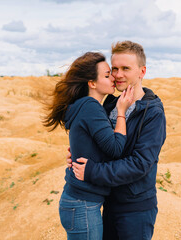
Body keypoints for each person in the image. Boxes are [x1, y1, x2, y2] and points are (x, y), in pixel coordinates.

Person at [67, 41, 166, 240]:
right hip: (106, 201)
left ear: (142, 71)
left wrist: (93, 171)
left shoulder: (153, 112)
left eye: (125, 69)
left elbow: (140, 163)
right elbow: (102, 143)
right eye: (115, 69)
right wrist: (78, 154)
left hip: (135, 208)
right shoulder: (110, 103)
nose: (118, 75)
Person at [43, 52, 134, 240]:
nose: (114, 78)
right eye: (107, 75)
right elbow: (116, 149)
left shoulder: (85, 107)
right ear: (92, 83)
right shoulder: (91, 107)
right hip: (82, 204)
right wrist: (121, 112)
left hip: (79, 202)